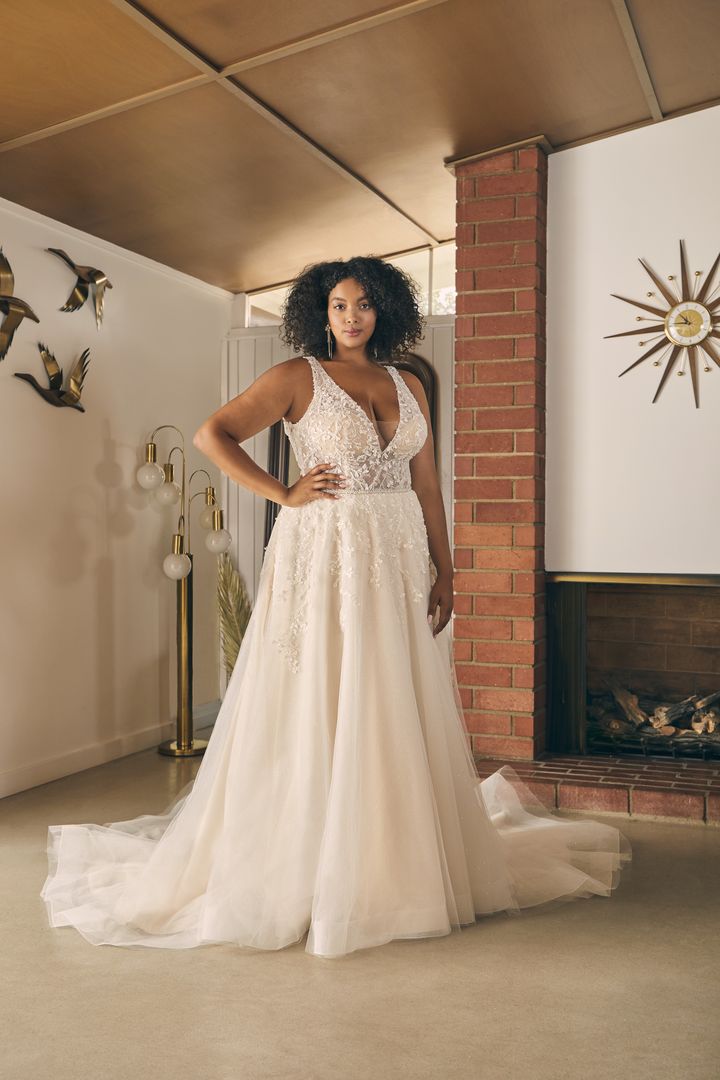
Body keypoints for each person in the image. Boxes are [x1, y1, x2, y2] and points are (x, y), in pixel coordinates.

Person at [40, 255, 631, 959]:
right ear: (321, 313)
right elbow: (211, 435)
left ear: (385, 311)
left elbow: (428, 484)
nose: (352, 318)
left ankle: (392, 855)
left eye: (365, 305)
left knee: (387, 693)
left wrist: (448, 568)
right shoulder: (297, 378)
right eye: (340, 306)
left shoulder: (410, 382)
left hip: (398, 555)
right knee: (323, 685)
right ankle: (314, 857)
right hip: (326, 553)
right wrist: (281, 491)